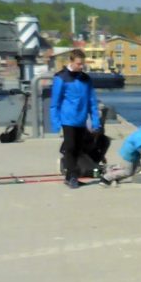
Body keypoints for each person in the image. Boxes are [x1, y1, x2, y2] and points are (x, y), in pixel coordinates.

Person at [46, 50, 100, 189]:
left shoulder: (86, 79)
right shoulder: (61, 77)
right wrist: (56, 123)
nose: (81, 66)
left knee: (78, 149)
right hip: (67, 119)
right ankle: (73, 176)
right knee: (70, 148)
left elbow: (92, 101)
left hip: (81, 119)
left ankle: (70, 176)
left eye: (82, 64)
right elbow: (55, 103)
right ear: (71, 61)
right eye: (78, 64)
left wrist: (95, 121)